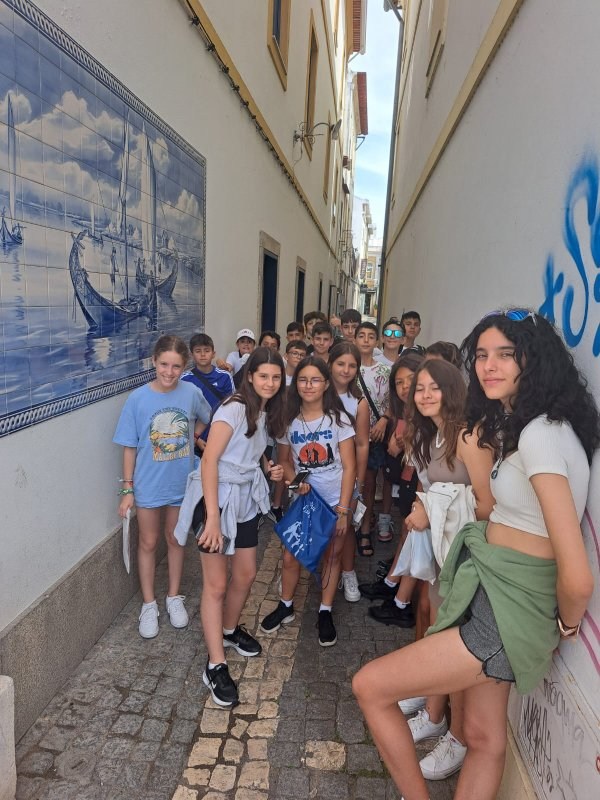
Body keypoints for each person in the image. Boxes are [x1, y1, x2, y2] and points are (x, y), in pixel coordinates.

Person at [353, 309, 598, 800]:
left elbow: (576, 573)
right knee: (484, 738)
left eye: (506, 355)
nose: (489, 366)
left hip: (509, 609)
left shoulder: (541, 435)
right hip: (497, 592)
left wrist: (562, 625)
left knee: (370, 686)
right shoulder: (531, 426)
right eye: (482, 355)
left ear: (533, 360)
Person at [192, 347, 286, 707]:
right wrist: (213, 518)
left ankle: (229, 630)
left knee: (245, 574)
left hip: (244, 499)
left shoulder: (263, 409)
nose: (270, 382)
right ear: (249, 376)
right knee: (216, 584)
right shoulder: (233, 407)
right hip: (216, 500)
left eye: (276, 377)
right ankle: (214, 665)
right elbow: (209, 460)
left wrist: (267, 466)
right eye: (263, 376)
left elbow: (251, 445)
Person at [113, 335, 212, 639]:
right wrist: (127, 490)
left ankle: (173, 596)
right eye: (164, 364)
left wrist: (193, 437)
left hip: (181, 483)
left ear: (185, 366)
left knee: (176, 539)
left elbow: (205, 418)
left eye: (176, 366)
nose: (169, 372)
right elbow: (129, 446)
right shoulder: (138, 399)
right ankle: (148, 604)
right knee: (148, 541)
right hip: (148, 484)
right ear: (154, 361)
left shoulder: (191, 393)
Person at [259, 356, 356, 646]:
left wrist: (343, 509)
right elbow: (285, 461)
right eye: (303, 379)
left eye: (315, 380)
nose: (308, 385)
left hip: (335, 500)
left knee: (332, 555)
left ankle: (325, 611)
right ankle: (286, 604)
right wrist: (295, 483)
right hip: (305, 501)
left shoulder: (339, 420)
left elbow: (349, 466)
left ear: (326, 384)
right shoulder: (289, 421)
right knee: (291, 555)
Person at [328, 342, 370, 602]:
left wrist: (360, 482)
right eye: (341, 364)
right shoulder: (316, 393)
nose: (346, 370)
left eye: (352, 365)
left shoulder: (359, 402)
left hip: (346, 475)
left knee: (347, 527)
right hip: (318, 473)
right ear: (330, 364)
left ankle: (348, 571)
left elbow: (362, 444)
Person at [355, 321, 393, 552]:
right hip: (350, 435)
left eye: (371, 336)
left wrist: (384, 419)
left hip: (375, 436)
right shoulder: (347, 367)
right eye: (362, 335)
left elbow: (393, 401)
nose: (366, 340)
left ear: (377, 341)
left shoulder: (385, 371)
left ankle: (365, 528)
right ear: (355, 339)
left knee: (368, 483)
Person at [182, 333, 234, 452]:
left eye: (207, 350)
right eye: (198, 351)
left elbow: (232, 409)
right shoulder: (185, 379)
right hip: (195, 438)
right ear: (191, 355)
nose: (203, 354)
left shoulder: (225, 377)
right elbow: (183, 413)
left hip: (221, 436)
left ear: (213, 354)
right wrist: (196, 438)